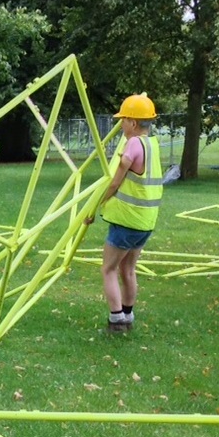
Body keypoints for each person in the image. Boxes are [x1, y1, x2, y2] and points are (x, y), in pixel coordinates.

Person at [83, 93, 162, 333]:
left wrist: (93, 208)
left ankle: (117, 320)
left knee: (108, 269)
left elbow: (115, 183)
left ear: (134, 123)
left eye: (124, 120)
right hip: (145, 222)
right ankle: (127, 315)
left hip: (126, 221)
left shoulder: (133, 144)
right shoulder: (152, 145)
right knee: (128, 269)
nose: (121, 124)